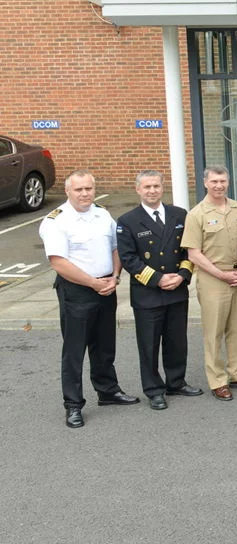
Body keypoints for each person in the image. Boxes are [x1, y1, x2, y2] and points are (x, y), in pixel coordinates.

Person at [40, 170, 138, 428]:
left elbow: (116, 247)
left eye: (89, 189)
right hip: (77, 290)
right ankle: (73, 405)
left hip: (106, 284)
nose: (85, 194)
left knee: (105, 344)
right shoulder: (56, 221)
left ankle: (107, 391)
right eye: (79, 190)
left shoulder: (102, 213)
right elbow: (59, 262)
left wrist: (115, 276)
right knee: (74, 350)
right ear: (68, 191)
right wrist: (92, 283)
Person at [115, 169, 202, 410]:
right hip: (148, 292)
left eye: (156, 186)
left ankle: (176, 382)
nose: (152, 191)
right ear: (138, 190)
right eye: (147, 187)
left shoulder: (179, 215)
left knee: (177, 341)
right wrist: (158, 279)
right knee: (149, 344)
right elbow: (129, 259)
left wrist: (183, 275)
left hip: (176, 289)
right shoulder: (127, 221)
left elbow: (187, 249)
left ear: (163, 187)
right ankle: (154, 389)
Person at [183, 165, 237, 401]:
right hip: (213, 280)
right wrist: (221, 274)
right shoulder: (196, 214)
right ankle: (217, 380)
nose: (219, 186)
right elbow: (194, 254)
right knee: (214, 331)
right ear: (205, 183)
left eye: (223, 181)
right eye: (214, 181)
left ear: (229, 182)